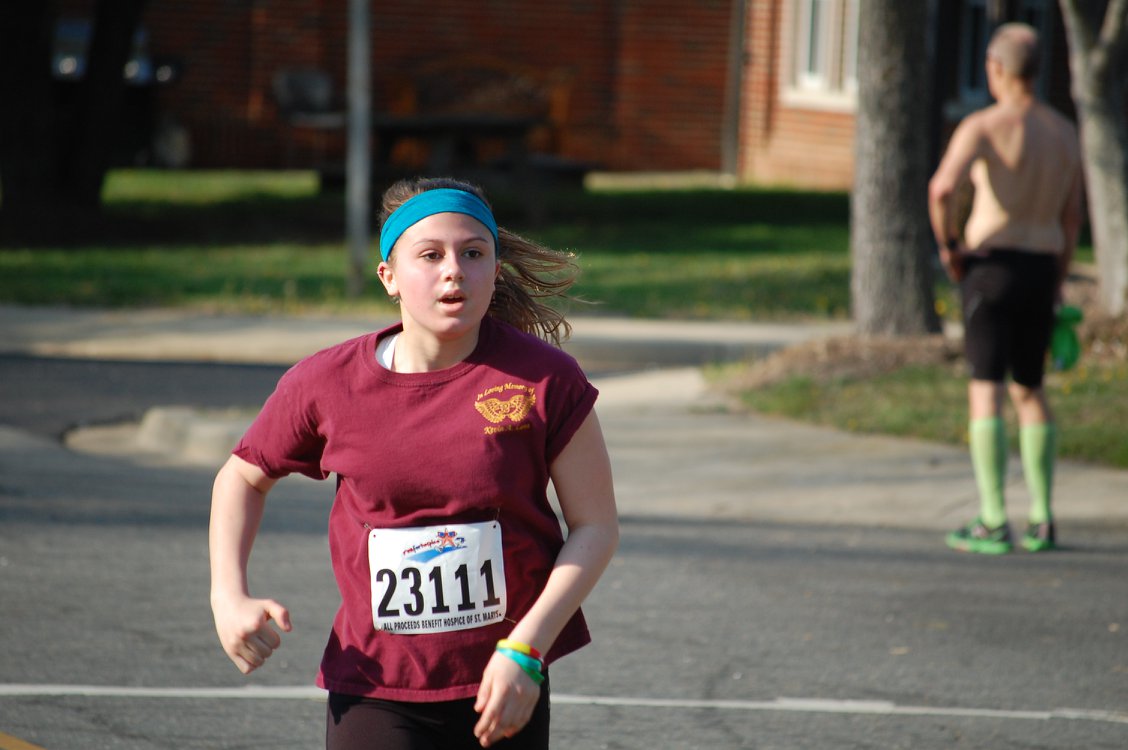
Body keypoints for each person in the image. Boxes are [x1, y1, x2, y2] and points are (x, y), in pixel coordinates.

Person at [209, 176, 619, 748]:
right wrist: (228, 595)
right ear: (389, 277)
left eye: (473, 253)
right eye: (430, 255)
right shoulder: (326, 383)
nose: (454, 271)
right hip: (374, 682)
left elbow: (595, 525)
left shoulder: (546, 379)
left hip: (504, 678)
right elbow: (242, 477)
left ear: (495, 270)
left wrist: (526, 649)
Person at [928, 22, 1083, 554]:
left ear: (995, 68)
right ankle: (1042, 517)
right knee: (1030, 388)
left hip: (990, 268)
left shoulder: (984, 126)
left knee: (986, 389)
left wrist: (950, 246)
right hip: (1042, 267)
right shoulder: (1064, 133)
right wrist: (1059, 278)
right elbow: (1072, 220)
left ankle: (993, 519)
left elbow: (942, 188)